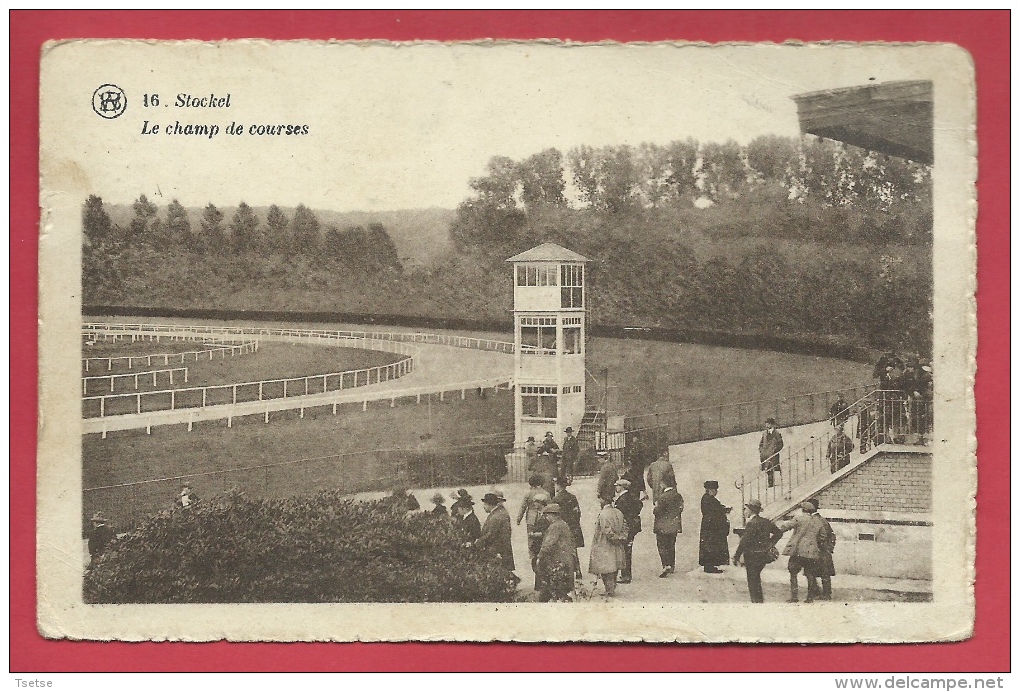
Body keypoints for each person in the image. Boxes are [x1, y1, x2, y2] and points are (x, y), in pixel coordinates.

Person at [732, 499, 783, 603]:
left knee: (752, 581)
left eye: (745, 509)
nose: (744, 512)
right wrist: (769, 544)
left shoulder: (752, 523)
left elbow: (743, 542)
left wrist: (736, 556)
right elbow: (778, 533)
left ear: (751, 511)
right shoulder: (766, 521)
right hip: (763, 556)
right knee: (756, 578)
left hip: (752, 556)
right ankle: (758, 601)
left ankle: (756, 602)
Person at [777, 501, 827, 603]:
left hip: (797, 551)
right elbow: (823, 536)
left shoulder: (798, 518)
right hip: (811, 552)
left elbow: (786, 527)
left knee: (793, 573)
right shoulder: (818, 522)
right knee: (810, 575)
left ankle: (794, 597)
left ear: (803, 509)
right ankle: (809, 597)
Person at [536, 504, 577, 602]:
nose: (546, 518)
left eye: (547, 515)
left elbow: (548, 544)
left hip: (558, 561)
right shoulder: (563, 524)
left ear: (553, 515)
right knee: (565, 586)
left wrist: (540, 556)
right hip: (567, 559)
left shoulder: (555, 526)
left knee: (556, 587)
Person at [588, 498, 627, 600]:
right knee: (614, 566)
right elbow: (625, 526)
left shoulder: (603, 514)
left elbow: (607, 531)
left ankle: (609, 589)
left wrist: (615, 538)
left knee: (606, 568)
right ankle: (612, 587)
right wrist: (622, 537)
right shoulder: (618, 512)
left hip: (605, 544)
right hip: (617, 545)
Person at [474, 489, 516, 574]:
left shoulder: (497, 516)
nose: (484, 507)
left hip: (497, 549)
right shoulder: (499, 513)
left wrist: (479, 542)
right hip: (500, 548)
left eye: (485, 504)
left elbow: (491, 534)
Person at [515, 482, 550, 579]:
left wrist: (518, 519)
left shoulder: (528, 493)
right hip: (542, 516)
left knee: (531, 537)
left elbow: (523, 507)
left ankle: (533, 555)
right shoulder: (546, 493)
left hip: (531, 518)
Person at [552, 476, 584, 579]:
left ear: (558, 486)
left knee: (562, 550)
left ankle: (566, 571)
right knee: (573, 549)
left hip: (563, 527)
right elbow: (578, 512)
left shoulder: (556, 499)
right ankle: (578, 570)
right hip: (573, 526)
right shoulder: (572, 497)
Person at [613, 479, 643, 584]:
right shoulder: (632, 496)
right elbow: (640, 505)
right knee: (627, 549)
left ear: (623, 487)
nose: (616, 487)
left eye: (617, 485)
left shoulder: (623, 499)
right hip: (633, 527)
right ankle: (625, 574)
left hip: (626, 527)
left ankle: (626, 575)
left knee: (625, 551)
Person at [806, 498, 837, 600]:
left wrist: (827, 548)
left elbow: (831, 535)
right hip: (818, 550)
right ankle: (818, 591)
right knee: (813, 572)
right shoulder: (819, 519)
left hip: (820, 550)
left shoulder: (817, 520)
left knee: (823, 572)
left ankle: (826, 594)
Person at [698, 480, 731, 573]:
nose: (716, 491)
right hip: (711, 527)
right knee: (711, 545)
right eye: (714, 489)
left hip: (711, 526)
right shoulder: (708, 499)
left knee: (712, 545)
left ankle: (711, 565)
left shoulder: (709, 498)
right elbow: (714, 511)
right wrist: (724, 510)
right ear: (710, 490)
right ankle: (709, 566)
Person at [652, 482, 684, 577]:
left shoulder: (662, 497)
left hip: (662, 525)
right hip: (674, 525)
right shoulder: (678, 495)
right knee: (671, 545)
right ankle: (671, 565)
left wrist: (655, 509)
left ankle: (665, 564)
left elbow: (657, 511)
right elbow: (681, 508)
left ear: (664, 484)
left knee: (662, 545)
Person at [758, 419, 784, 489]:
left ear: (772, 424)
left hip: (773, 454)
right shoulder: (764, 434)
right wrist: (761, 450)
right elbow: (761, 443)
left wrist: (775, 450)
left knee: (772, 467)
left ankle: (771, 483)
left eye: (768, 424)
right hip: (765, 454)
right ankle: (770, 482)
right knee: (767, 467)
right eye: (766, 424)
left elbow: (781, 444)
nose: (767, 425)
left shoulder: (777, 433)